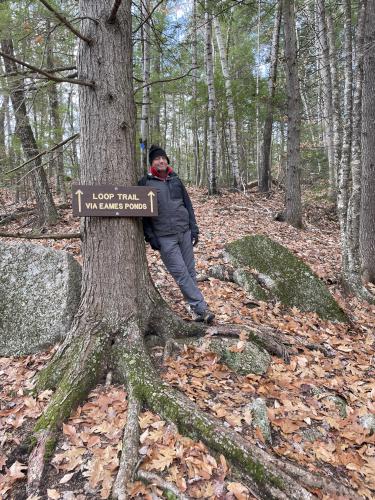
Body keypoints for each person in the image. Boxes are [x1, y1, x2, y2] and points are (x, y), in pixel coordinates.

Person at [139, 145, 215, 323]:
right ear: (152, 163)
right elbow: (143, 214)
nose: (161, 161)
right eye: (157, 159)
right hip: (165, 237)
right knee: (181, 273)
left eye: (163, 158)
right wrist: (151, 237)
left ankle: (194, 309)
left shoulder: (176, 180)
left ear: (167, 161)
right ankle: (202, 308)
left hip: (184, 232)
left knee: (189, 272)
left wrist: (194, 229)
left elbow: (188, 205)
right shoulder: (145, 183)